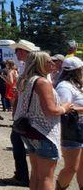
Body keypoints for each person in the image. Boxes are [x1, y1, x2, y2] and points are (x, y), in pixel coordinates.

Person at [14, 51, 73, 190]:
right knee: (47, 177)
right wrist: (65, 107)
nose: (52, 64)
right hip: (43, 132)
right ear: (40, 63)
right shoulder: (42, 82)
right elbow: (51, 110)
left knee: (36, 174)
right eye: (48, 61)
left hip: (30, 131)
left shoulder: (26, 79)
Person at [7, 39, 38, 187]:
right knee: (21, 143)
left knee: (21, 143)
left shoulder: (32, 68)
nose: (15, 53)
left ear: (24, 51)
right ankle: (25, 175)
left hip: (28, 114)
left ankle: (24, 176)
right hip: (24, 113)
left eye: (17, 50)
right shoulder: (26, 67)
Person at [55, 57, 83, 190]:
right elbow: (64, 109)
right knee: (72, 167)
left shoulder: (77, 85)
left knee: (81, 166)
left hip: (79, 127)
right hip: (72, 128)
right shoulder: (64, 86)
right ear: (76, 71)